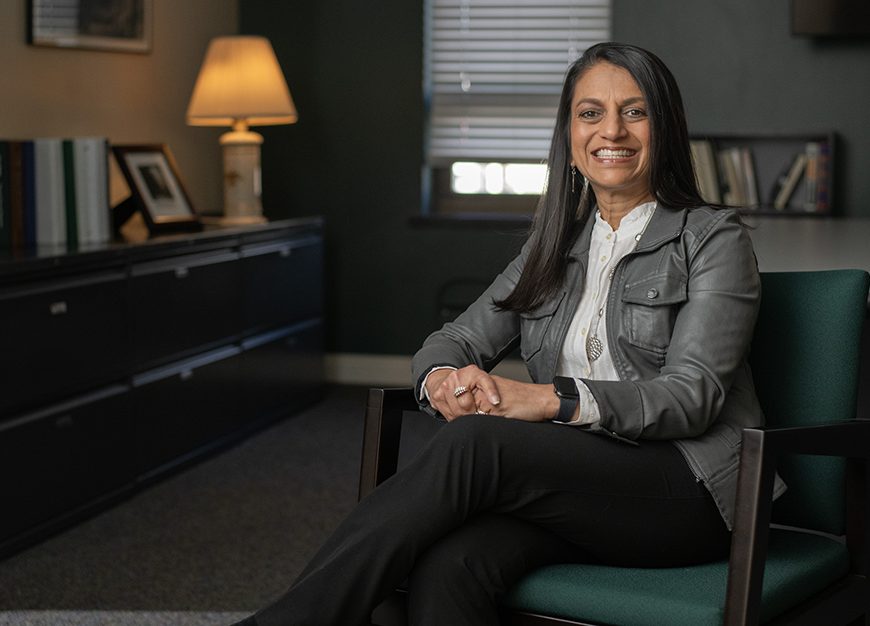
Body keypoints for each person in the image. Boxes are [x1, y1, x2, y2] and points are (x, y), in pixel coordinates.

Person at [232, 41, 785, 626]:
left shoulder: (713, 239)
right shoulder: (551, 248)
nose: (612, 130)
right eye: (590, 113)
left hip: (691, 492)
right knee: (450, 566)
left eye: (636, 110)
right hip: (578, 486)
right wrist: (444, 379)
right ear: (570, 139)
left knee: (478, 443)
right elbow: (453, 340)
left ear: (665, 127)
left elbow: (690, 398)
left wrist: (550, 400)